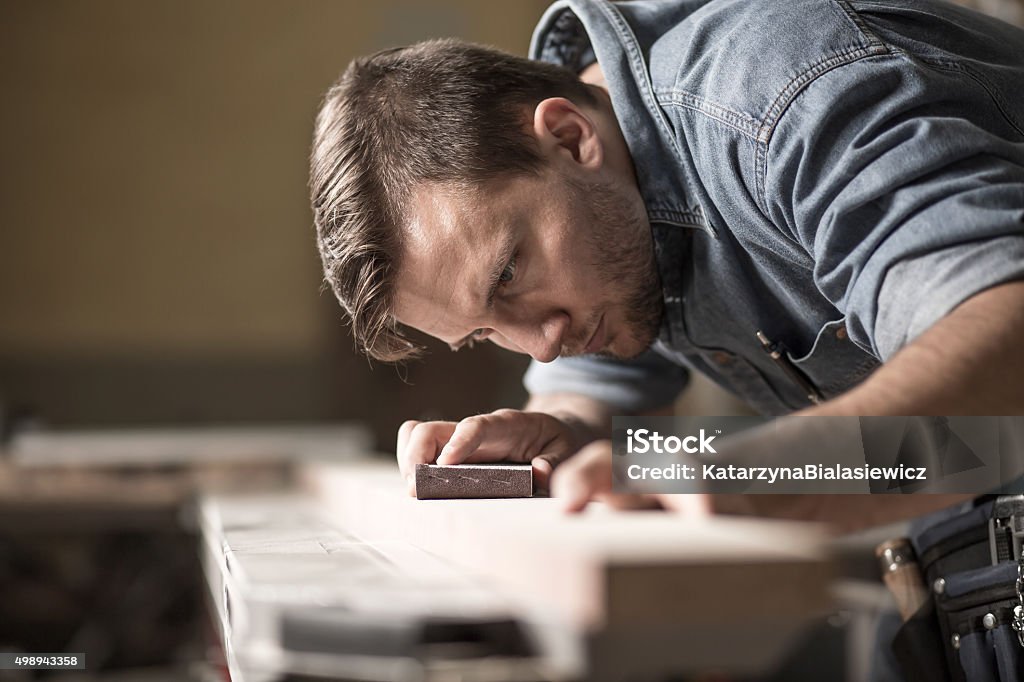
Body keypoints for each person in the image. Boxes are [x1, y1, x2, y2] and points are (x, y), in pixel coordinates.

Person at [308, 0, 1024, 529]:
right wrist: (567, 433)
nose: (542, 342)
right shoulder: (602, 212)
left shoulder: (781, 103)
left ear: (567, 135)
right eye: (483, 334)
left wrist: (773, 475)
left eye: (506, 278)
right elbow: (601, 392)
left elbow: (1009, 360)